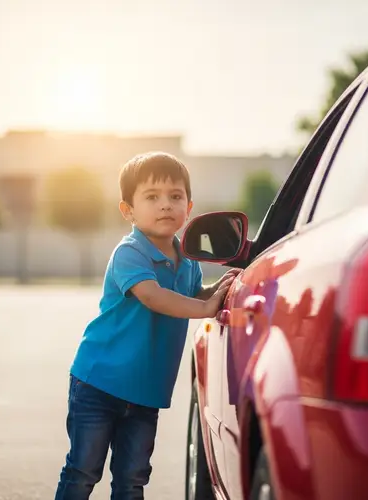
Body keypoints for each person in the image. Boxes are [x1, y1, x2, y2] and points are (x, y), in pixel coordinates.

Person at [55, 151, 240, 500]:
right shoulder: (130, 253)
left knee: (133, 477)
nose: (165, 205)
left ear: (189, 206)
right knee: (83, 469)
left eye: (175, 197)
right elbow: (154, 296)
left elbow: (188, 293)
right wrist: (205, 306)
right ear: (128, 211)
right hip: (99, 383)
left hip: (145, 392)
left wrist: (216, 291)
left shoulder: (188, 258)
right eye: (152, 197)